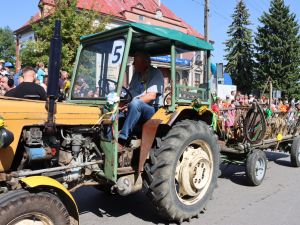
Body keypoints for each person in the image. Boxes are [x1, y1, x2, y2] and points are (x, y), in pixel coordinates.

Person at [118, 52, 164, 146]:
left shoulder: (156, 73)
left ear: (145, 62)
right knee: (114, 110)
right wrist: (121, 103)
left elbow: (151, 96)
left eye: (136, 61)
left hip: (152, 110)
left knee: (135, 104)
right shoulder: (136, 74)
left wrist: (130, 104)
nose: (133, 64)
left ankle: (123, 138)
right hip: (135, 106)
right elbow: (130, 93)